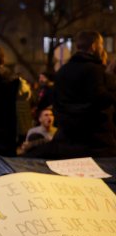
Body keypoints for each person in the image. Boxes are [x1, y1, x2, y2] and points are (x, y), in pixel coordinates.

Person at [26, 31, 116, 159]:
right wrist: (111, 79)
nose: (103, 48)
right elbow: (103, 100)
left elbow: (57, 102)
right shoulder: (97, 71)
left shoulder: (63, 71)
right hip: (95, 143)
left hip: (67, 140)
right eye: (101, 44)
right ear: (94, 46)